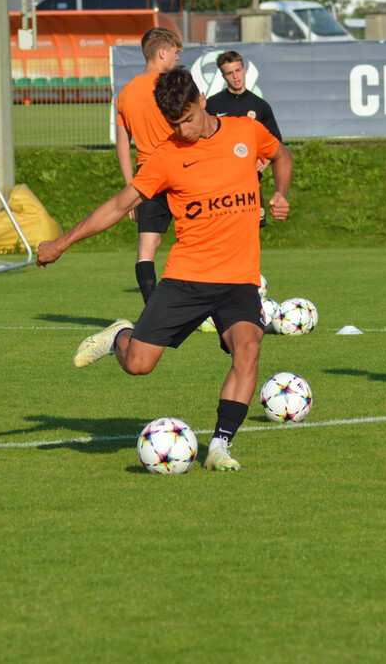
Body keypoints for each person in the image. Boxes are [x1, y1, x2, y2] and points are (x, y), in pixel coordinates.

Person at [38, 66, 293, 472]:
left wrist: (280, 193)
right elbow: (120, 205)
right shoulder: (167, 156)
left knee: (248, 348)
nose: (185, 130)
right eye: (175, 124)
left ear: (202, 102)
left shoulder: (245, 132)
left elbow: (281, 154)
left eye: (188, 119)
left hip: (238, 278)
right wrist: (62, 243)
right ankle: (120, 334)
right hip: (188, 277)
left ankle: (219, 446)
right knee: (139, 364)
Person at [115, 27, 182, 304]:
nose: (177, 58)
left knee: (147, 247)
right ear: (162, 52)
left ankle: (151, 308)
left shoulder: (126, 92)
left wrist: (131, 186)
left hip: (145, 175)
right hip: (179, 166)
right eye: (175, 52)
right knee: (201, 237)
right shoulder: (172, 86)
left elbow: (122, 145)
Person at [204, 50, 282, 228]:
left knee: (250, 233)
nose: (235, 77)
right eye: (230, 73)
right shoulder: (212, 105)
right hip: (220, 185)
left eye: (238, 70)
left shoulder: (260, 106)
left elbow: (277, 141)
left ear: (244, 69)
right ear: (223, 76)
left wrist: (267, 159)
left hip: (250, 185)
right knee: (222, 234)